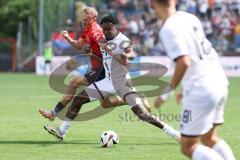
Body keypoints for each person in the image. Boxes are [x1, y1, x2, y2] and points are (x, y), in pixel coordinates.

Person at [43, 15, 180, 142]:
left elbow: (130, 51)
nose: (107, 32)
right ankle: (61, 131)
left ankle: (174, 133)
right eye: (104, 29)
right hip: (107, 81)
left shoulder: (123, 40)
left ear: (115, 26)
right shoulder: (101, 38)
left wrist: (128, 56)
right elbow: (90, 45)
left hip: (122, 83)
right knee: (78, 100)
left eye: (109, 29)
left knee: (142, 115)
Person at [151, 0, 236, 160]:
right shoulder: (190, 18)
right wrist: (185, 88)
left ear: (153, 3)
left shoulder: (168, 29)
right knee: (209, 138)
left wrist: (165, 94)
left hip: (201, 89)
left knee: (188, 146)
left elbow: (184, 61)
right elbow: (204, 52)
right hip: (219, 82)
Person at [39, 7, 151, 121]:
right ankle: (137, 99)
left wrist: (119, 57)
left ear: (94, 19)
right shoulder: (87, 30)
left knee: (74, 82)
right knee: (106, 104)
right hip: (97, 68)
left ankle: (54, 113)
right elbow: (78, 45)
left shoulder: (96, 31)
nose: (84, 21)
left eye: (87, 19)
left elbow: (106, 46)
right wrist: (68, 38)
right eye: (83, 19)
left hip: (102, 68)